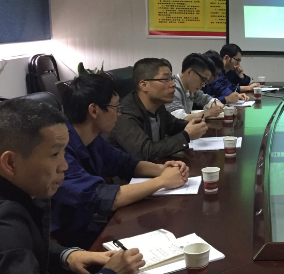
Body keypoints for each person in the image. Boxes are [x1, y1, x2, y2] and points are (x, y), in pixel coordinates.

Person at [0, 99, 144, 274]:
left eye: (64, 153)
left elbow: (18, 248)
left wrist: (68, 255)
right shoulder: (5, 217)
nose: (64, 166)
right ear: (11, 163)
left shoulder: (22, 191)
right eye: (54, 154)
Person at [51, 74, 190, 248]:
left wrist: (162, 169)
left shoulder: (92, 138)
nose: (119, 113)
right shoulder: (60, 150)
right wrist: (162, 181)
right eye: (115, 107)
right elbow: (103, 197)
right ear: (94, 110)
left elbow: (125, 163)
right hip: (70, 243)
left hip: (92, 226)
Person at [110, 58, 208, 161]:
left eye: (171, 78)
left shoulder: (157, 105)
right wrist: (186, 135)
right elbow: (145, 152)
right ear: (144, 85)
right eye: (166, 79)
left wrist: (194, 125)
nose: (173, 84)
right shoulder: (124, 115)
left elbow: (174, 125)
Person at [166, 53, 224, 120]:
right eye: (203, 79)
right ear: (189, 72)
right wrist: (207, 113)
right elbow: (178, 118)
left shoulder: (190, 88)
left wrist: (217, 105)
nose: (203, 85)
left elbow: (205, 98)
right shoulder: (173, 89)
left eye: (206, 81)